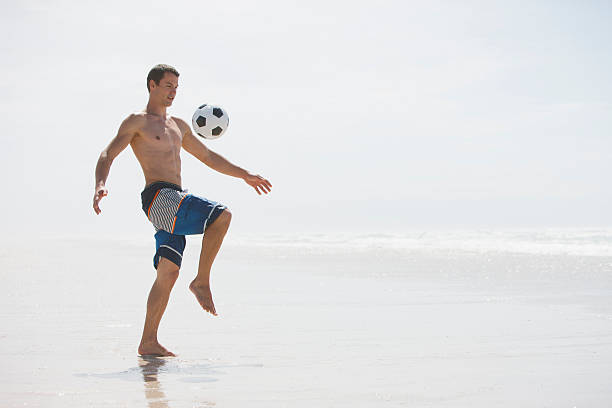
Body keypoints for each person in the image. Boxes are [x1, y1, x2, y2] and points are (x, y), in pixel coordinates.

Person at [92, 64, 272, 357]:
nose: (173, 92)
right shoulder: (137, 122)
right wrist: (100, 185)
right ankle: (201, 280)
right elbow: (107, 154)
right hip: (158, 197)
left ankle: (148, 342)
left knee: (168, 272)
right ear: (152, 85)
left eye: (176, 87)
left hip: (174, 199)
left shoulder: (178, 126)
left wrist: (245, 175)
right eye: (167, 86)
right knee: (221, 215)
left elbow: (208, 156)